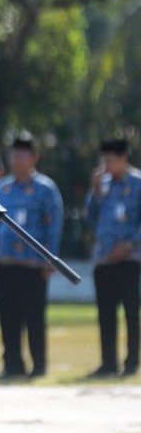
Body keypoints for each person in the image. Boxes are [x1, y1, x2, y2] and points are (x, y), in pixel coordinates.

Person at [0, 134, 63, 379]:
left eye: (22, 156)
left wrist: (51, 258)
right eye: (14, 156)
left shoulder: (45, 188)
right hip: (6, 261)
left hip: (33, 263)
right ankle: (12, 364)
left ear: (33, 158)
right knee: (7, 316)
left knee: (34, 316)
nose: (17, 160)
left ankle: (38, 365)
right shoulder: (4, 188)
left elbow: (54, 225)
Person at [84, 136, 141, 378]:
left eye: (111, 159)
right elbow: (89, 217)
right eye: (104, 159)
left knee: (130, 312)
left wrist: (128, 245)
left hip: (130, 258)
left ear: (124, 158)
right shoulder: (103, 184)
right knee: (105, 312)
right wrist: (95, 190)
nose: (106, 164)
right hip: (104, 258)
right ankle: (108, 362)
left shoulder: (138, 183)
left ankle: (131, 362)